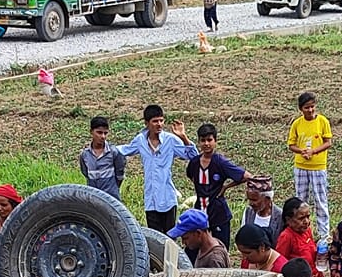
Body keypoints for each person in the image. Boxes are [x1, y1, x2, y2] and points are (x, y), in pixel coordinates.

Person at [118, 104, 197, 233]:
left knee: (170, 237)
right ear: (146, 123)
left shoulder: (170, 140)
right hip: (151, 199)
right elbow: (124, 150)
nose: (159, 124)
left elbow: (193, 156)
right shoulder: (140, 141)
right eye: (155, 121)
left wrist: (183, 137)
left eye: (161, 120)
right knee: (155, 237)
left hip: (168, 198)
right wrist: (103, 148)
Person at [187, 124, 246, 247]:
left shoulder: (221, 162)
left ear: (215, 141)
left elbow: (246, 176)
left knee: (220, 248)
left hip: (218, 213)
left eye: (209, 140)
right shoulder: (194, 162)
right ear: (199, 142)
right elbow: (191, 176)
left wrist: (226, 187)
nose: (206, 144)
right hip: (200, 211)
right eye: (203, 140)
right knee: (195, 248)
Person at [287, 91, 334, 242]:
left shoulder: (322, 122)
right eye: (307, 107)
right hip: (301, 166)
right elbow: (291, 144)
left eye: (312, 107)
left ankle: (323, 233)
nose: (310, 110)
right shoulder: (297, 124)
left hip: (318, 166)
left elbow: (328, 142)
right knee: (301, 199)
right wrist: (302, 151)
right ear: (301, 109)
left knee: (320, 199)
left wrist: (313, 151)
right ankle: (302, 230)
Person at [234, 175, 280, 263]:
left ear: (267, 199)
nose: (251, 203)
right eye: (249, 200)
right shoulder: (248, 212)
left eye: (254, 200)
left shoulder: (280, 217)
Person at [79, 117, 127, 197]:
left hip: (111, 196)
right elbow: (85, 173)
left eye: (105, 133)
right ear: (91, 132)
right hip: (93, 196)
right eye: (99, 132)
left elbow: (120, 174)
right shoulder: (85, 155)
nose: (103, 136)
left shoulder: (114, 152)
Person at [275, 197, 319, 277]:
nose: (306, 221)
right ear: (288, 220)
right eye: (301, 218)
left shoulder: (307, 231)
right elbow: (280, 263)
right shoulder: (286, 236)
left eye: (308, 217)